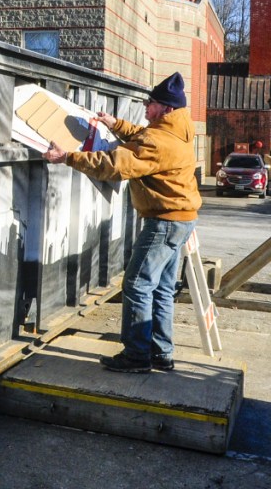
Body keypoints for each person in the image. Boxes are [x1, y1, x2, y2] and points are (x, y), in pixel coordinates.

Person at [43, 72, 201, 373]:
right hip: (182, 220)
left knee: (137, 284)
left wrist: (67, 158)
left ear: (166, 109)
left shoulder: (156, 140)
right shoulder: (176, 130)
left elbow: (115, 165)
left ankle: (136, 357)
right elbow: (143, 136)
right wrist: (116, 125)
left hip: (164, 222)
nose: (146, 106)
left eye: (151, 103)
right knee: (162, 288)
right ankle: (161, 353)